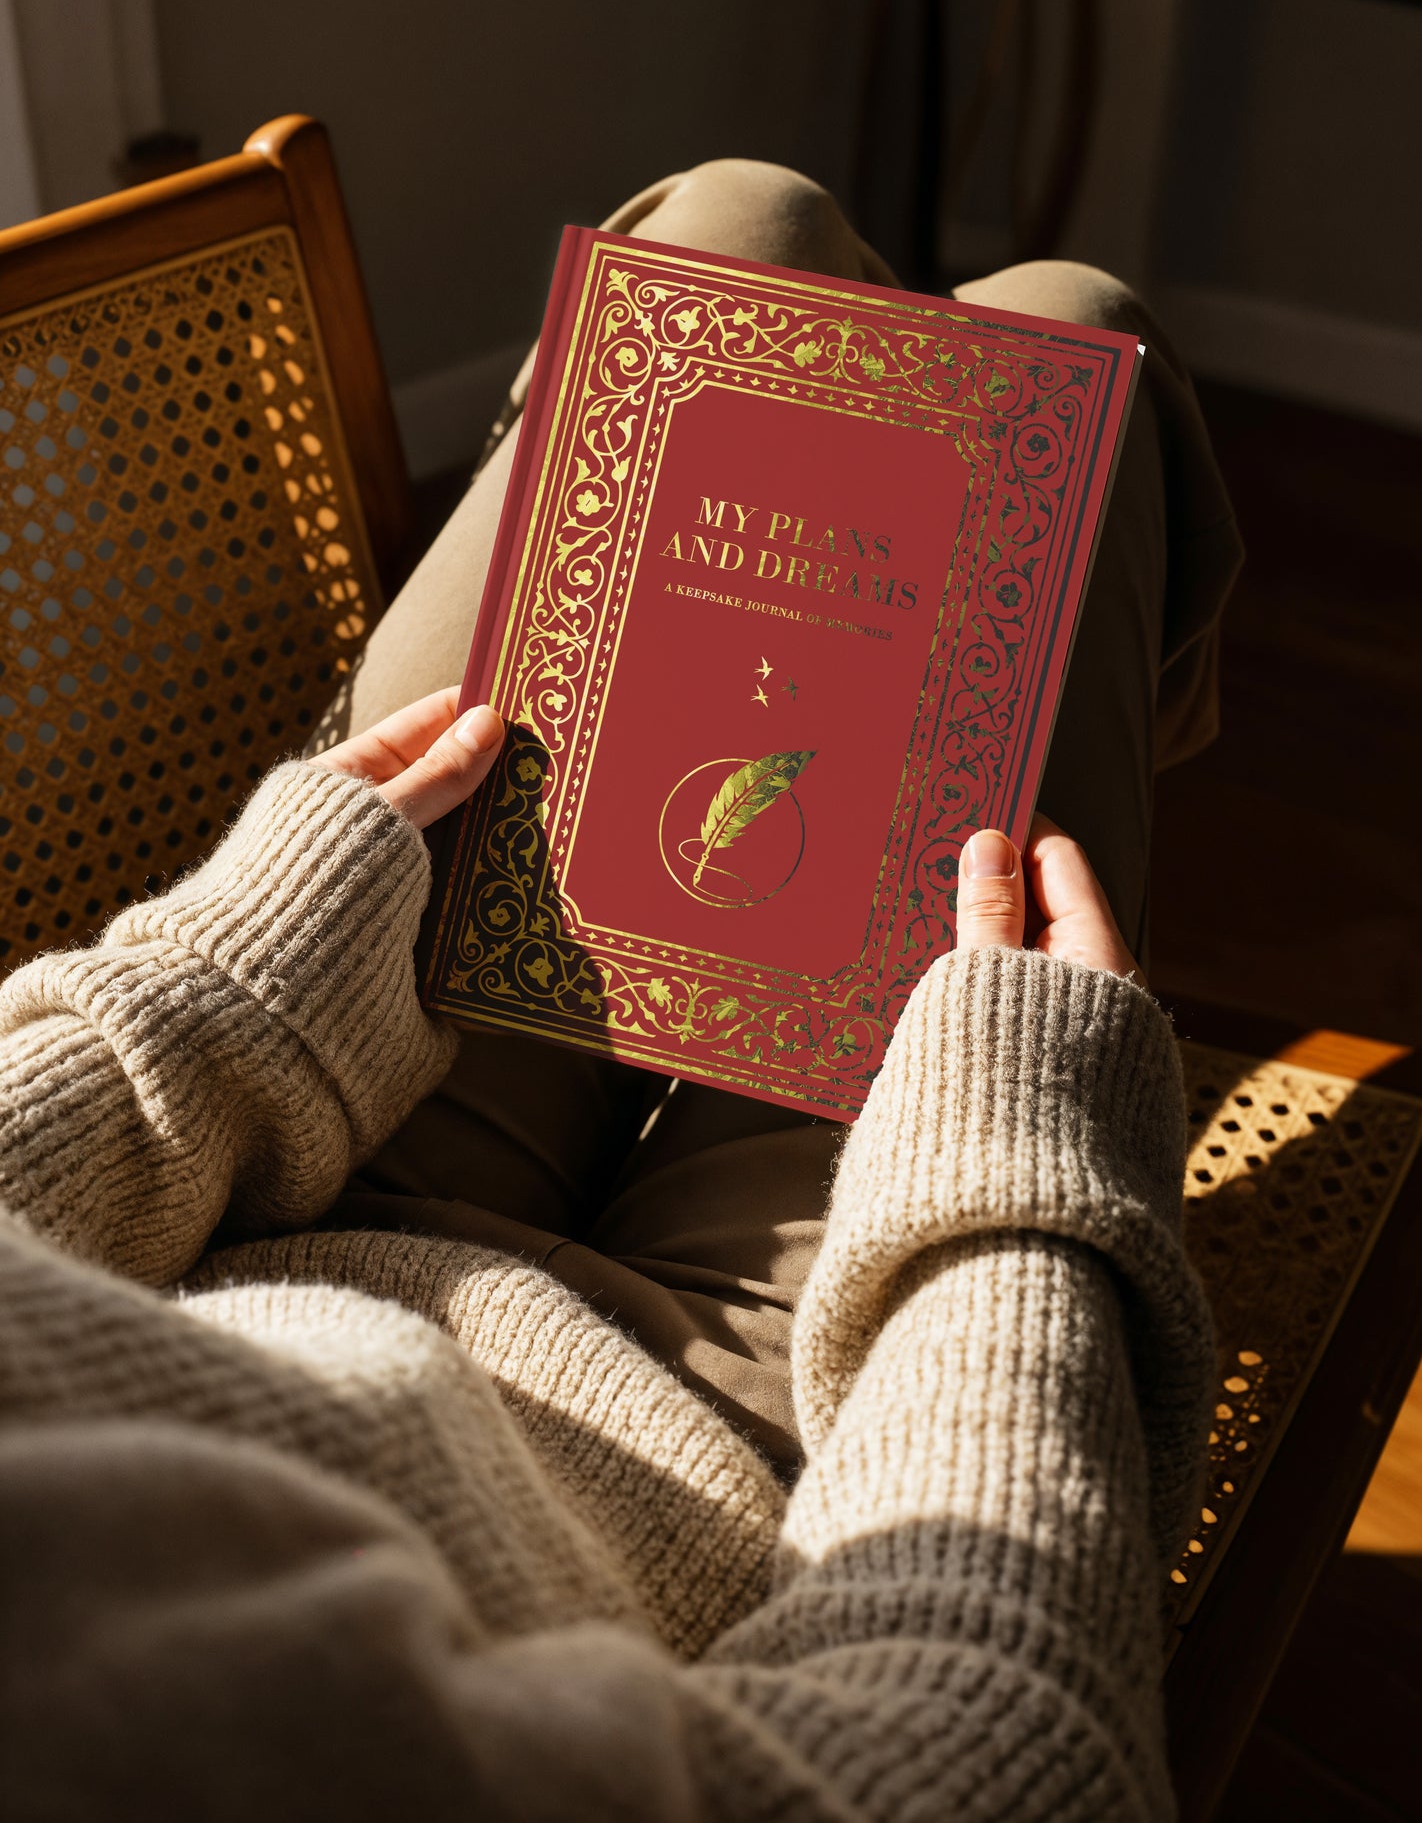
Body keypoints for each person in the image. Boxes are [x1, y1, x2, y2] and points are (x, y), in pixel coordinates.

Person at [0, 162, 1240, 1820]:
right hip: (727, 1455)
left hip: (270, 1207)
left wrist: (230, 980)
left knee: (744, 227)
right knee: (1077, 345)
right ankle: (1131, 716)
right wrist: (1016, 1192)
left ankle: (1102, 707)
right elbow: (990, 1774)